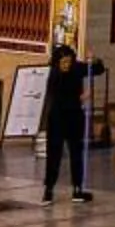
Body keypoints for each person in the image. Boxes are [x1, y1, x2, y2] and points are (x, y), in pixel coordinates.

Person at [40, 45, 90, 204]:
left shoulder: (75, 69)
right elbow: (60, 97)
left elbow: (98, 68)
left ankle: (76, 189)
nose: (66, 65)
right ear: (58, 62)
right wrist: (81, 98)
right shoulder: (55, 75)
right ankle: (49, 190)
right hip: (60, 119)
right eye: (64, 62)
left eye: (69, 61)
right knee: (55, 155)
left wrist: (93, 60)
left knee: (75, 153)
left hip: (71, 119)